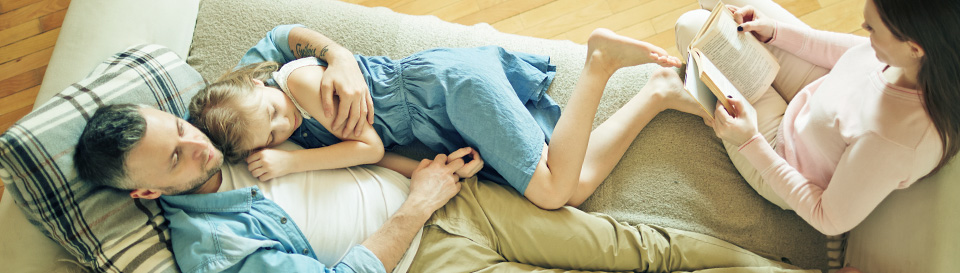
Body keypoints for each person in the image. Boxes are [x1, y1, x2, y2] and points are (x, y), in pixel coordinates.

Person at [72, 33, 825, 272]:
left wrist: (334, 57)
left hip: (444, 180)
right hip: (422, 247)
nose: (195, 146)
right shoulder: (212, 246)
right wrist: (419, 201)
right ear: (145, 194)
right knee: (564, 198)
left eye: (181, 133)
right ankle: (649, 89)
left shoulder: (221, 112)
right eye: (175, 159)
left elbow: (277, 51)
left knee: (632, 245)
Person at [189, 24, 683, 210]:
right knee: (571, 186)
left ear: (260, 83)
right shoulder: (297, 125)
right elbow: (374, 165)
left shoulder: (297, 84)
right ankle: (657, 94)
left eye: (274, 114)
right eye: (273, 136)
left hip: (454, 89)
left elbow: (369, 149)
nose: (285, 126)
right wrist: (437, 173)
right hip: (449, 109)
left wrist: (292, 164)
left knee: (551, 192)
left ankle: (599, 63)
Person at [623, 0, 960, 236]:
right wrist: (775, 32)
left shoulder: (893, 141)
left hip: (778, 149)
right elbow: (853, 52)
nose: (862, 28)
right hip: (819, 95)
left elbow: (827, 218)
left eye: (872, 27)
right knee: (721, 6)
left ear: (915, 48)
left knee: (691, 27)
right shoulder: (921, 61)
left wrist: (749, 141)